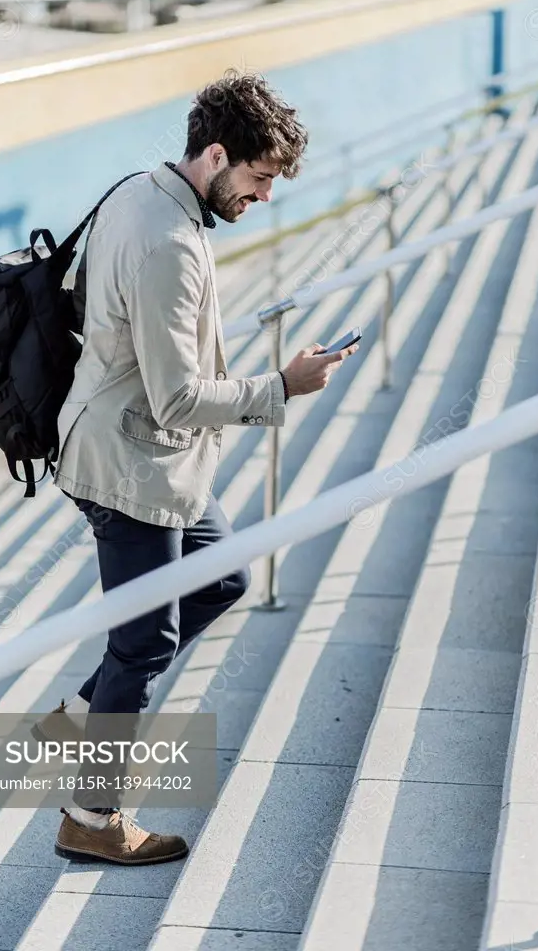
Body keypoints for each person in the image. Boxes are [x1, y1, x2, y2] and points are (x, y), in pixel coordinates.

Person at [37, 70, 358, 866]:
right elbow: (178, 398)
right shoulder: (171, 243)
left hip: (141, 452)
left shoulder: (142, 191)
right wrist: (281, 386)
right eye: (257, 178)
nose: (264, 197)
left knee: (223, 575)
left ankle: (81, 714)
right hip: (130, 466)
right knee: (144, 644)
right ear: (216, 154)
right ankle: (92, 816)